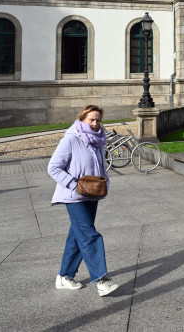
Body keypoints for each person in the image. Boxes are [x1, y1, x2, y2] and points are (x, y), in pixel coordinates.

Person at [47, 105, 119, 297]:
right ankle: (102, 280)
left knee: (77, 235)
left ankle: (65, 276)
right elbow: (53, 167)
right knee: (89, 235)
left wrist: (105, 183)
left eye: (98, 120)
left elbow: (101, 166)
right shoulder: (71, 138)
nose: (95, 124)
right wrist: (74, 185)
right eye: (91, 120)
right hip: (74, 195)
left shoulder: (99, 140)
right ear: (82, 119)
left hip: (92, 193)